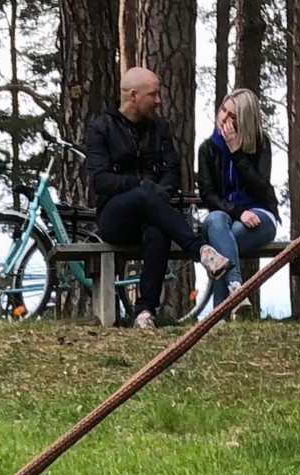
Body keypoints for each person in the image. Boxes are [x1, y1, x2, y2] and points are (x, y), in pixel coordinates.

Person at [83, 68, 231, 330]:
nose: (159, 100)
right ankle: (200, 250)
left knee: (158, 232)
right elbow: (100, 180)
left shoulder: (160, 128)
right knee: (142, 195)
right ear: (133, 95)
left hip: (153, 214)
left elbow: (172, 171)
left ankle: (144, 312)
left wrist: (161, 190)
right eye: (153, 94)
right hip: (114, 218)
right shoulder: (101, 128)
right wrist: (142, 185)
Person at [195, 87, 280, 314]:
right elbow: (208, 194)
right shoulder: (207, 149)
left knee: (222, 247)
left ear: (244, 120)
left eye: (232, 116)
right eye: (223, 110)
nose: (224, 118)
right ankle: (236, 289)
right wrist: (238, 211)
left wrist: (236, 153)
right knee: (216, 222)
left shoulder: (261, 144)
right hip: (224, 216)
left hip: (260, 215)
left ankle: (219, 314)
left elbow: (262, 189)